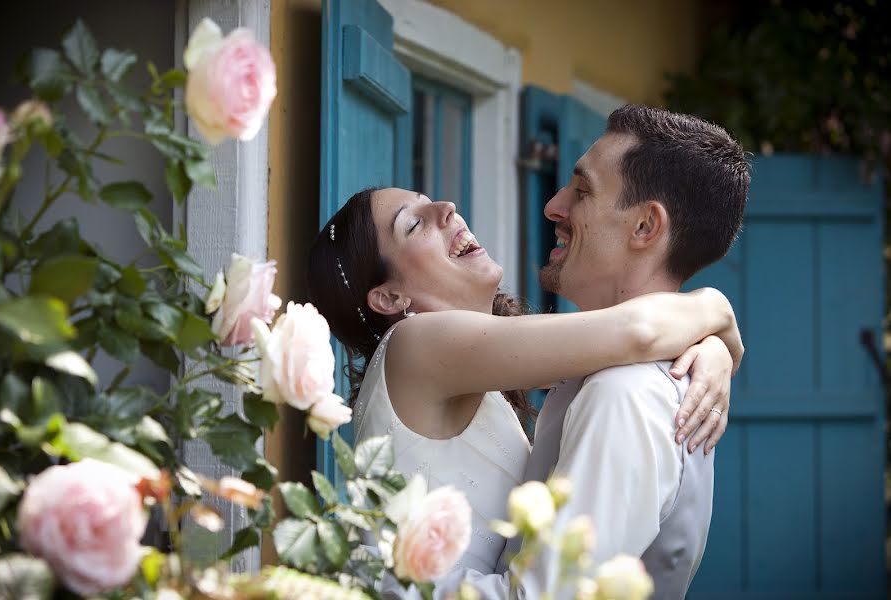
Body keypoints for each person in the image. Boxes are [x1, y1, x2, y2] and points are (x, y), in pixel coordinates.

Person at [307, 151, 742, 580]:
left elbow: (621, 346)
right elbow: (636, 334)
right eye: (415, 222)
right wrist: (716, 308)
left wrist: (710, 348)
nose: (446, 208)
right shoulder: (413, 345)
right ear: (389, 298)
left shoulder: (476, 373)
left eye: (428, 199)